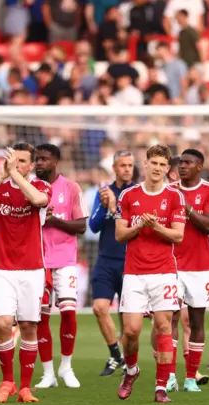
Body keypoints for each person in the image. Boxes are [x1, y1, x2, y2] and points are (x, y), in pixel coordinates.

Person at [0, 143, 51, 403]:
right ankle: (7, 381)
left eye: (22, 161)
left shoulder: (40, 186)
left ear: (31, 165)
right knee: (4, 324)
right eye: (13, 160)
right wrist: (1, 177)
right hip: (3, 268)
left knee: (29, 326)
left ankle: (25, 387)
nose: (16, 164)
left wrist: (14, 175)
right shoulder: (1, 185)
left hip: (32, 268)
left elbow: (39, 202)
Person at [115, 144, 186, 403]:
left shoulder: (175, 197)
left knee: (164, 325)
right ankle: (131, 371)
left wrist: (155, 226)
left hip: (164, 272)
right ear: (145, 164)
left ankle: (161, 387)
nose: (157, 168)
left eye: (162, 165)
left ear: (168, 169)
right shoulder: (128, 196)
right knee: (131, 331)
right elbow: (120, 235)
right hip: (134, 273)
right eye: (153, 163)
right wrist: (138, 226)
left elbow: (177, 235)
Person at [166, 149, 209, 393]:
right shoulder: (168, 190)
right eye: (181, 163)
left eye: (188, 163)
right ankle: (169, 376)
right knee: (171, 317)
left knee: (197, 320)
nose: (183, 166)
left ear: (200, 166)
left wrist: (185, 205)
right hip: (171, 264)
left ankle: (190, 377)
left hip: (200, 266)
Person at [34, 144, 88, 389]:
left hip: (65, 259)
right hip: (36, 260)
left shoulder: (71, 187)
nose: (39, 163)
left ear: (55, 162)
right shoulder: (30, 188)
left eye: (44, 159)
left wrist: (54, 219)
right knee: (40, 317)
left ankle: (66, 367)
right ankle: (48, 373)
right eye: (37, 159)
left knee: (68, 311)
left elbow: (81, 226)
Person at [89, 150, 135, 376]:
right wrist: (108, 207)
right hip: (106, 261)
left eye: (130, 165)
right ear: (114, 168)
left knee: (127, 319)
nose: (127, 169)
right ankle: (116, 355)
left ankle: (125, 359)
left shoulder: (138, 192)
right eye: (122, 165)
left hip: (131, 262)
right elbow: (94, 226)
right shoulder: (104, 192)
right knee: (99, 307)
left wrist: (115, 208)